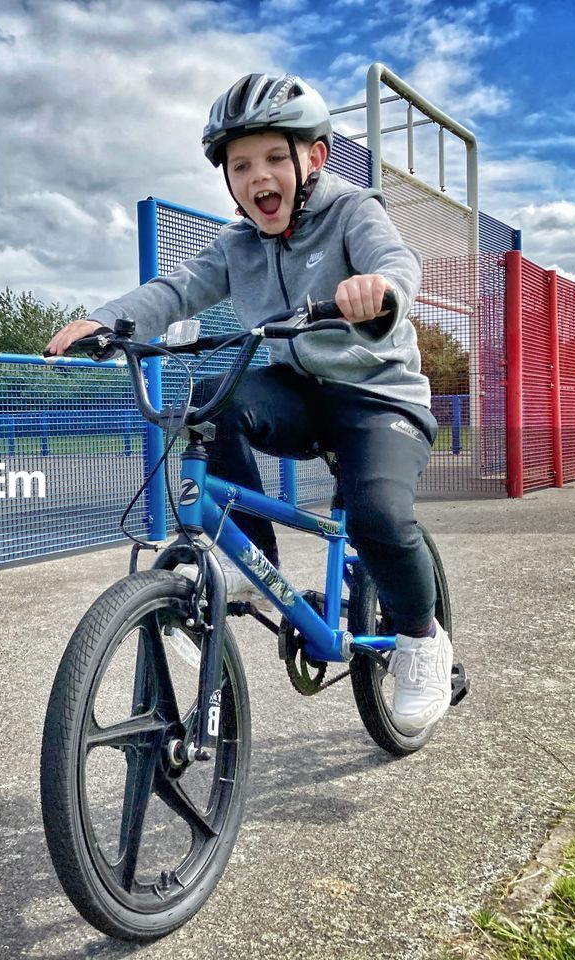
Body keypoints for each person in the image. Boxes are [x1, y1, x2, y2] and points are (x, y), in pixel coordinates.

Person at [45, 73, 451, 734]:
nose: (257, 177)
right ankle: (248, 561)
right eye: (240, 165)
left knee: (377, 511)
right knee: (211, 399)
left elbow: (396, 261)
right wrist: (104, 322)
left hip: (380, 397)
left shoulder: (353, 212)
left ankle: (421, 639)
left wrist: (378, 290)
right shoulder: (237, 246)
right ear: (227, 179)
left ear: (312, 158)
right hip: (301, 395)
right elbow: (173, 290)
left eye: (272, 158)